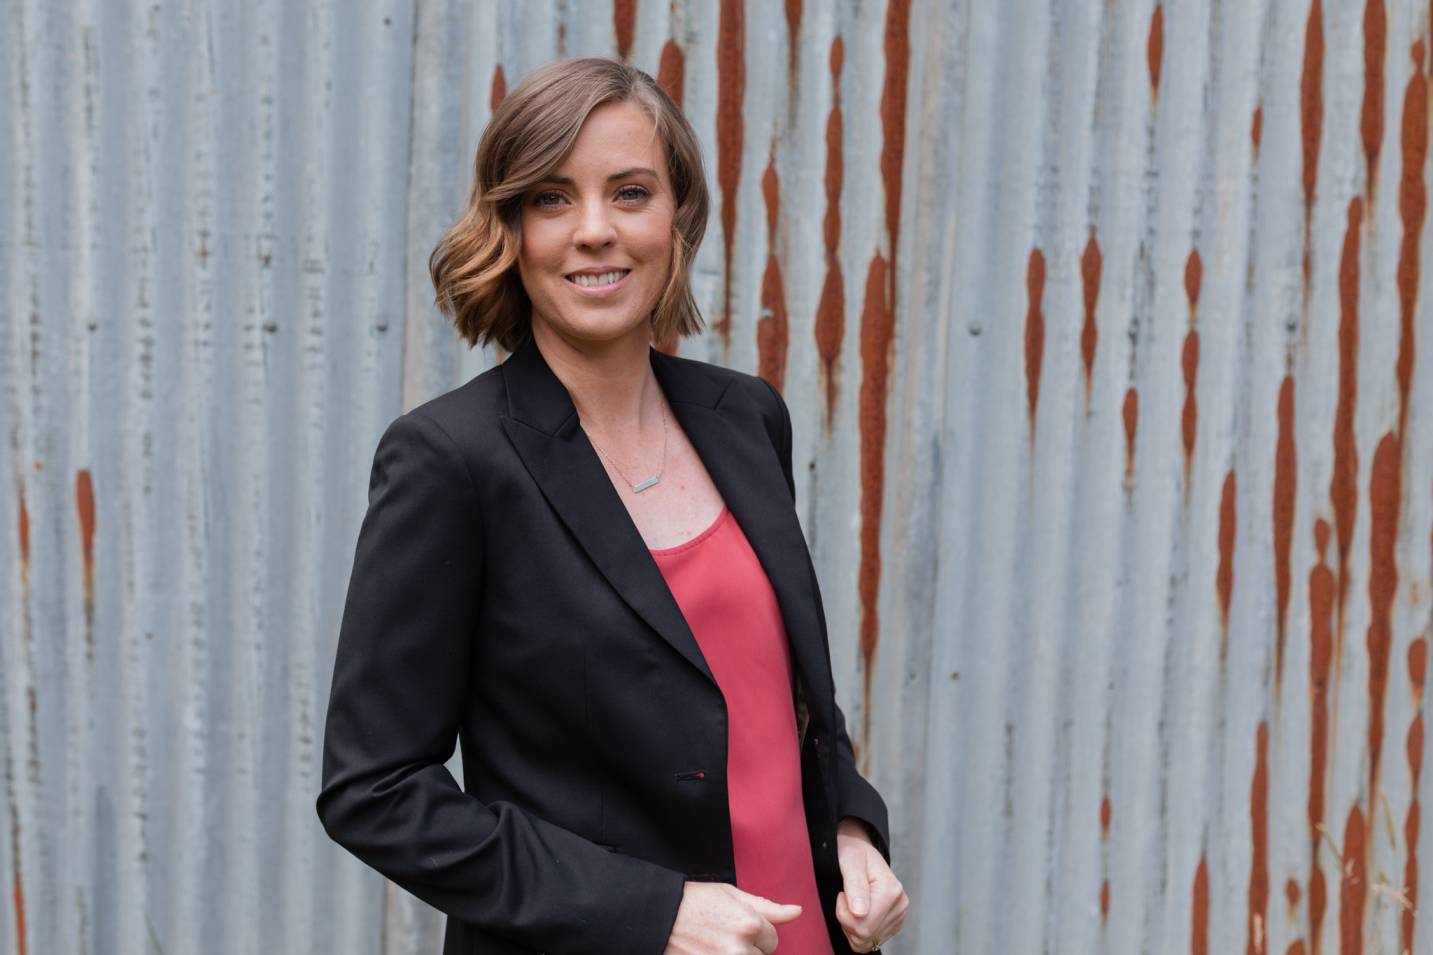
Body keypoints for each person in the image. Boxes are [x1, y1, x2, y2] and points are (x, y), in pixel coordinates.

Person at [316, 57, 908, 955]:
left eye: (630, 193)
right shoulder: (451, 460)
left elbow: (771, 699)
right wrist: (652, 909)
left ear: (677, 219)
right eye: (552, 199)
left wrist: (854, 830)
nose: (595, 230)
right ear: (510, 227)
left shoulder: (745, 417)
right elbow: (374, 789)